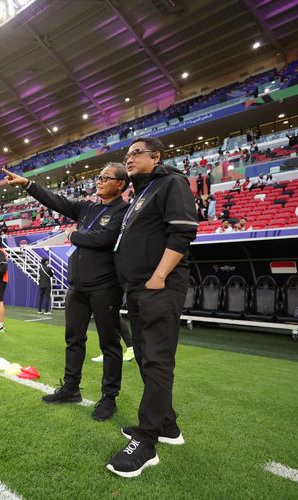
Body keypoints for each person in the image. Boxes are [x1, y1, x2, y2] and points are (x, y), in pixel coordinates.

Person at [4, 162, 129, 422]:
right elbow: (56, 201)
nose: (99, 180)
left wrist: (73, 236)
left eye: (106, 177)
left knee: (109, 344)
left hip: (105, 287)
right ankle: (71, 389)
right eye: (99, 175)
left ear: (121, 184)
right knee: (73, 340)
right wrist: (28, 184)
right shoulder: (88, 207)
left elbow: (104, 239)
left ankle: (109, 398)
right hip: (78, 286)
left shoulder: (123, 211)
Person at [108, 136, 198, 478]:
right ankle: (168, 426)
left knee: (157, 360)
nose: (128, 159)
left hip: (159, 286)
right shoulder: (142, 192)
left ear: (156, 156)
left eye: (136, 153)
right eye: (126, 154)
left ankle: (146, 442)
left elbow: (183, 233)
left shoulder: (171, 183)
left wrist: (159, 275)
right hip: (140, 288)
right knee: (147, 357)